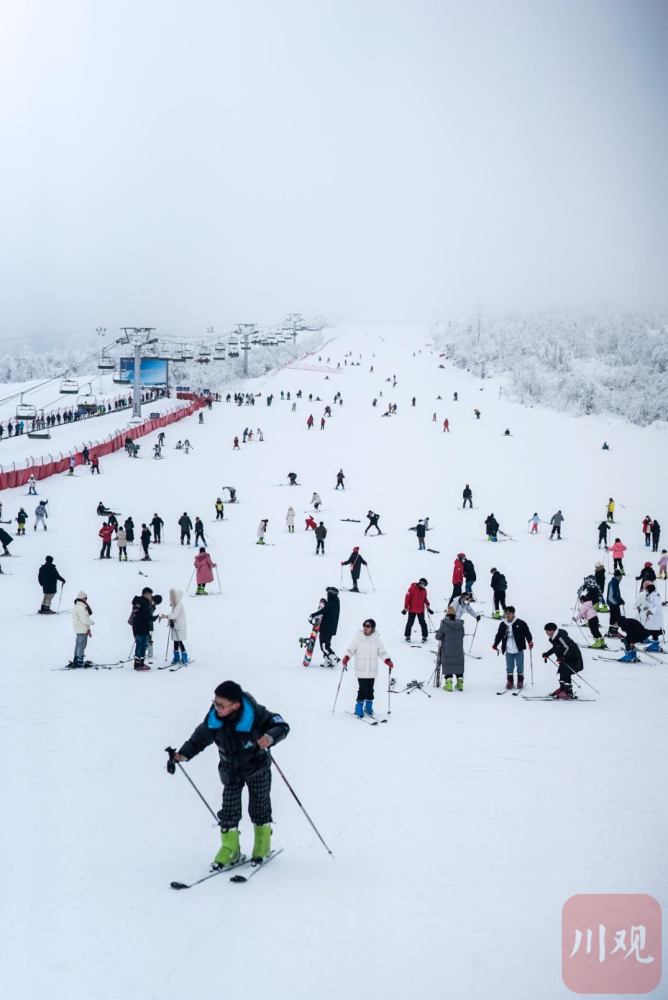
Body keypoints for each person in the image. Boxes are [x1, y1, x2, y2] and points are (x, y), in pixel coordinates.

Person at [170, 680, 289, 867]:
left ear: (236, 705)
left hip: (257, 768)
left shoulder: (255, 714)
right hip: (230, 770)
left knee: (259, 807)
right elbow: (198, 739)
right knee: (229, 811)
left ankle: (262, 844)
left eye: (221, 705)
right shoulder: (214, 720)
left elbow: (281, 725)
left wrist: (270, 737)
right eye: (215, 703)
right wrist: (181, 755)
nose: (216, 707)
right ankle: (230, 848)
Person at [342, 619, 392, 718]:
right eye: (364, 625)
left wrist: (387, 660)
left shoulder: (376, 639)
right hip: (361, 669)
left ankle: (368, 707)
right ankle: (358, 707)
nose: (365, 627)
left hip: (372, 669)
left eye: (368, 626)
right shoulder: (358, 638)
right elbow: (350, 649)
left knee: (370, 689)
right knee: (362, 689)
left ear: (372, 628)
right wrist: (347, 657)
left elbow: (382, 652)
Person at [492, 607, 533, 689]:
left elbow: (527, 633)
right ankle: (510, 681)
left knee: (520, 665)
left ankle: (520, 681)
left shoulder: (521, 623)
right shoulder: (503, 624)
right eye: (506, 613)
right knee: (509, 666)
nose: (508, 615)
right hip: (508, 649)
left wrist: (530, 641)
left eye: (509, 613)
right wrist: (495, 644)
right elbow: (499, 635)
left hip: (518, 648)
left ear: (513, 614)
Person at [541, 624, 583, 699]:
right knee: (562, 671)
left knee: (566, 672)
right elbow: (556, 648)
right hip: (566, 658)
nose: (546, 633)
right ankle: (563, 688)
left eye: (547, 631)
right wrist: (548, 653)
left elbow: (569, 647)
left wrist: (564, 657)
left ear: (552, 631)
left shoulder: (561, 637)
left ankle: (568, 692)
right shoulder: (554, 638)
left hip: (573, 658)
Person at [435, 605, 465, 691]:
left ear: (447, 616)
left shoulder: (444, 625)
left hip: (447, 650)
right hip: (458, 650)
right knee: (459, 665)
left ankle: (448, 684)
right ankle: (460, 684)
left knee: (448, 665)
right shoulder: (460, 625)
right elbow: (462, 635)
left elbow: (438, 637)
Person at [130, 588, 158, 669]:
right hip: (142, 627)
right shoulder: (144, 602)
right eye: (150, 595)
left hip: (136, 627)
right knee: (142, 645)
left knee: (138, 645)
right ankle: (141, 664)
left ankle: (136, 663)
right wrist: (154, 618)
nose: (151, 597)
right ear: (146, 594)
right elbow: (147, 616)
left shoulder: (136, 602)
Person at [311, 586, 341, 665]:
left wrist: (312, 615)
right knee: (325, 644)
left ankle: (335, 658)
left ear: (331, 594)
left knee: (324, 646)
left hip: (326, 628)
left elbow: (323, 611)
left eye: (328, 593)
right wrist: (325, 603)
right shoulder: (335, 603)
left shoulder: (331, 604)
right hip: (329, 628)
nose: (327, 595)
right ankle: (328, 661)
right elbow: (327, 609)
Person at [403, 578, 431, 642]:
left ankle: (425, 636)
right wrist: (406, 606)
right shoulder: (412, 589)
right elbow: (407, 598)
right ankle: (407, 635)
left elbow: (425, 598)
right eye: (424, 585)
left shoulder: (424, 590)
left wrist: (427, 604)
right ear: (421, 583)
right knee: (410, 623)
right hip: (412, 609)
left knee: (423, 623)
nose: (425, 586)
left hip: (420, 610)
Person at [70, 591, 94, 667]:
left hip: (78, 629)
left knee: (78, 644)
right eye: (85, 598)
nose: (86, 600)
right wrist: (91, 622)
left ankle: (76, 658)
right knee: (82, 645)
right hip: (82, 629)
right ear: (83, 598)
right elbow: (84, 619)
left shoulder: (76, 607)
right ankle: (80, 660)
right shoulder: (81, 608)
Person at [165, 588, 188, 664]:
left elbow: (174, 614)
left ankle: (184, 656)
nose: (171, 598)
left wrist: (167, 616)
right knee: (175, 642)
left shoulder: (179, 604)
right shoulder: (175, 605)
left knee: (179, 641)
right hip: (175, 626)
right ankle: (176, 656)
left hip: (179, 627)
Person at [606, 570, 625, 635]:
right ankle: (613, 631)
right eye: (620, 577)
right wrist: (618, 601)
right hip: (613, 602)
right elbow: (613, 594)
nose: (621, 578)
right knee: (617, 616)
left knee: (614, 616)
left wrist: (620, 599)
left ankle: (612, 630)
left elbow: (617, 594)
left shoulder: (615, 582)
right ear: (617, 576)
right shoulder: (613, 583)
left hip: (614, 602)